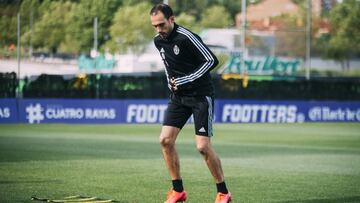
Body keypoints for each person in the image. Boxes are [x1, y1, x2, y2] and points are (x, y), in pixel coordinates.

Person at [150, 4, 232, 203]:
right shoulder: (158, 41)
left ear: (172, 19)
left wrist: (185, 80)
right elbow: (168, 65)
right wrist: (171, 82)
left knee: (203, 147)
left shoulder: (187, 37)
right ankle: (178, 191)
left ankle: (223, 193)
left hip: (201, 96)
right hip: (179, 98)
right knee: (165, 140)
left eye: (161, 24)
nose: (158, 29)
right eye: (155, 26)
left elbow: (211, 61)